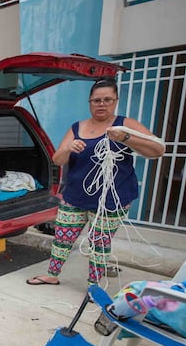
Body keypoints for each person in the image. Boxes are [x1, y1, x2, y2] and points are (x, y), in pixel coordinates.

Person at [27, 78, 164, 287]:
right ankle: (51, 274)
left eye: (107, 100)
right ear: (90, 102)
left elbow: (157, 150)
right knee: (63, 237)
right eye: (96, 100)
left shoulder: (125, 125)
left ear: (116, 101)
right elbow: (57, 160)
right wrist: (68, 148)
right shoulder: (77, 127)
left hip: (112, 199)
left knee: (99, 244)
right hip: (75, 195)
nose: (102, 104)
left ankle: (94, 285)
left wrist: (126, 138)